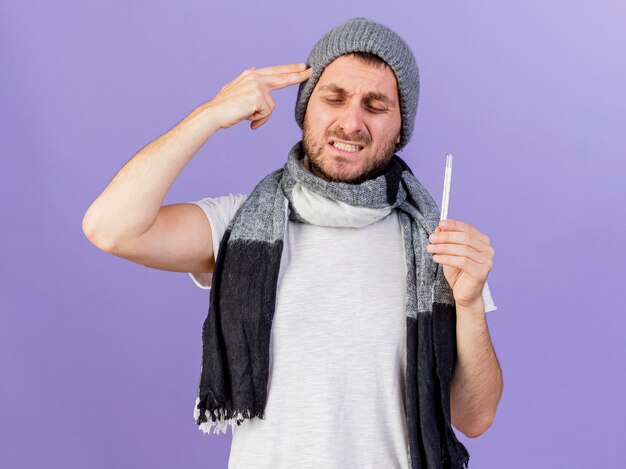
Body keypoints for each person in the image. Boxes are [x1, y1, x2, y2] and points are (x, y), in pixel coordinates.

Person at [83, 17, 502, 469]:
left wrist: (471, 302)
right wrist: (210, 115)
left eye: (375, 105)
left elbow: (474, 417)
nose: (351, 121)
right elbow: (110, 227)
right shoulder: (241, 225)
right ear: (305, 109)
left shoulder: (437, 242)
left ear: (401, 127)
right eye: (334, 98)